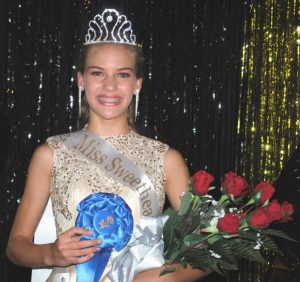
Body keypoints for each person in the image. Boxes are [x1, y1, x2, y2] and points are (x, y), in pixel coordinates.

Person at [6, 8, 210, 282]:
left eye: (123, 75)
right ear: (81, 80)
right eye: (98, 73)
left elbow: (209, 250)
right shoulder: (51, 153)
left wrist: (166, 278)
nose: (110, 86)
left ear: (137, 83)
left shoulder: (166, 159)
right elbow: (16, 246)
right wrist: (51, 254)